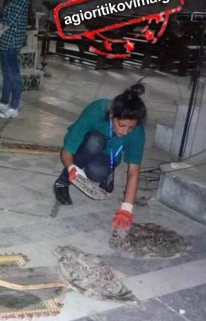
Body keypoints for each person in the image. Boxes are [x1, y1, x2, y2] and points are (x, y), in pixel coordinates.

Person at [52, 83, 148, 231]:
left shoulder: (138, 132)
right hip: (88, 144)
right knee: (95, 141)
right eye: (121, 125)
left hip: (109, 155)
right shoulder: (96, 110)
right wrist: (71, 168)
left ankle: (108, 172)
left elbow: (133, 172)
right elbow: (67, 151)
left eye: (131, 128)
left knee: (96, 172)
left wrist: (127, 209)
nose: (125, 132)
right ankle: (62, 182)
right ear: (111, 115)